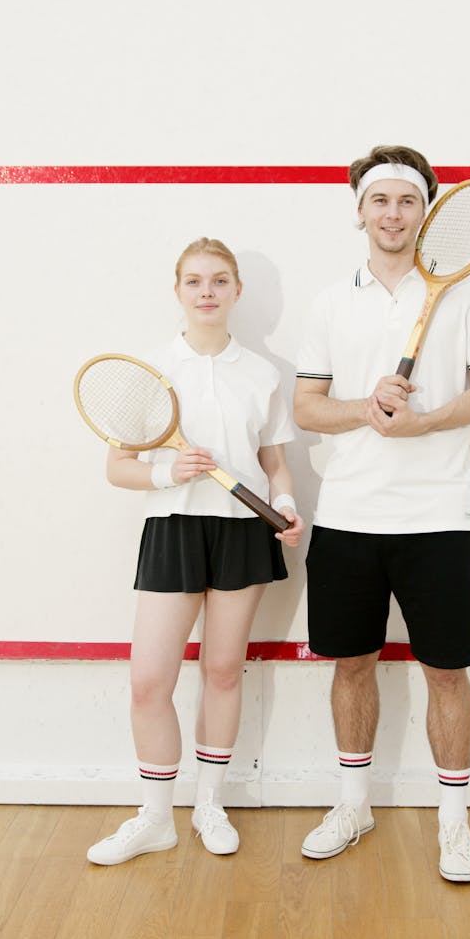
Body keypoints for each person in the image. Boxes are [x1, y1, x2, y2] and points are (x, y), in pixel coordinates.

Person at [294, 146, 470, 882]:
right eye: (379, 199)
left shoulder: (466, 294)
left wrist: (427, 422)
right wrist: (364, 406)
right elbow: (306, 406)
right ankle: (353, 804)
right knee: (351, 663)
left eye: (407, 201)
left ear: (426, 212)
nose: (393, 213)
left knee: (446, 671)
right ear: (359, 209)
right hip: (349, 516)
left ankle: (455, 824)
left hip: (441, 516)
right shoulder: (329, 302)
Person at [88, 237, 304, 865]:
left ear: (237, 291)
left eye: (219, 280)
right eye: (193, 281)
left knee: (220, 671)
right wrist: (169, 473)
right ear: (177, 291)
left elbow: (275, 464)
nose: (206, 291)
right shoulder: (152, 370)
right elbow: (118, 467)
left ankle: (210, 804)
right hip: (174, 529)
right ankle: (155, 817)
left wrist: (286, 507)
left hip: (242, 531)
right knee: (148, 680)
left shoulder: (263, 374)